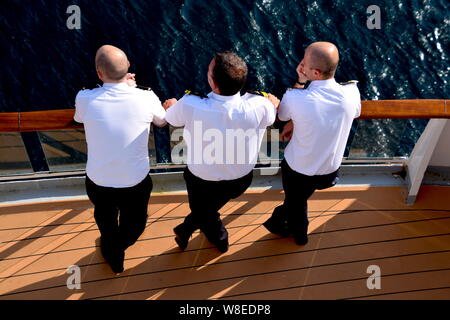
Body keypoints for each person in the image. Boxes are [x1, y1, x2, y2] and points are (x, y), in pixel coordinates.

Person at [163, 51, 279, 253]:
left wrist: (172, 105)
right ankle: (186, 228)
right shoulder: (260, 105)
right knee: (208, 209)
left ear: (214, 83)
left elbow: (170, 119)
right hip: (240, 179)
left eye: (209, 71)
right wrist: (274, 105)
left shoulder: (190, 104)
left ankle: (216, 237)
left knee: (202, 210)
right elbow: (271, 116)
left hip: (201, 179)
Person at [74, 45, 167, 273]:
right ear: (128, 69)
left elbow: (78, 118)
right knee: (135, 223)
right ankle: (117, 248)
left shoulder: (85, 98)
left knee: (105, 218)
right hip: (135, 182)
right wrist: (132, 89)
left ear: (99, 73)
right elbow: (162, 121)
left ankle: (112, 249)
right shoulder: (146, 96)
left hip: (98, 181)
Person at [263, 41, 361, 245]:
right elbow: (356, 112)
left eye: (304, 62)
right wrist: (296, 121)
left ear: (315, 73)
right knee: (298, 199)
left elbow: (280, 114)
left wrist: (299, 82)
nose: (300, 64)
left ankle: (300, 236)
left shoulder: (296, 97)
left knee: (296, 204)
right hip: (329, 171)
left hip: (299, 171)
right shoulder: (352, 92)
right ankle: (279, 219)